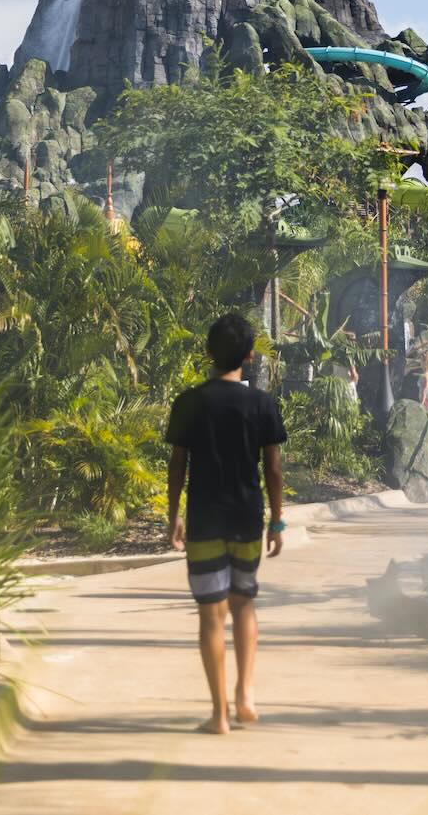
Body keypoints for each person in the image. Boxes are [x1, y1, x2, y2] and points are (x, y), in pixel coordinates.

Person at [166, 313, 289, 734]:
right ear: (250, 356)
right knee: (244, 603)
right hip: (246, 517)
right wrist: (278, 521)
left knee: (211, 615)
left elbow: (177, 464)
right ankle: (246, 696)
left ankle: (219, 715)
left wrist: (173, 515)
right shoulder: (262, 404)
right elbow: (272, 469)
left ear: (208, 351)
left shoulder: (189, 402)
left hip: (203, 518)